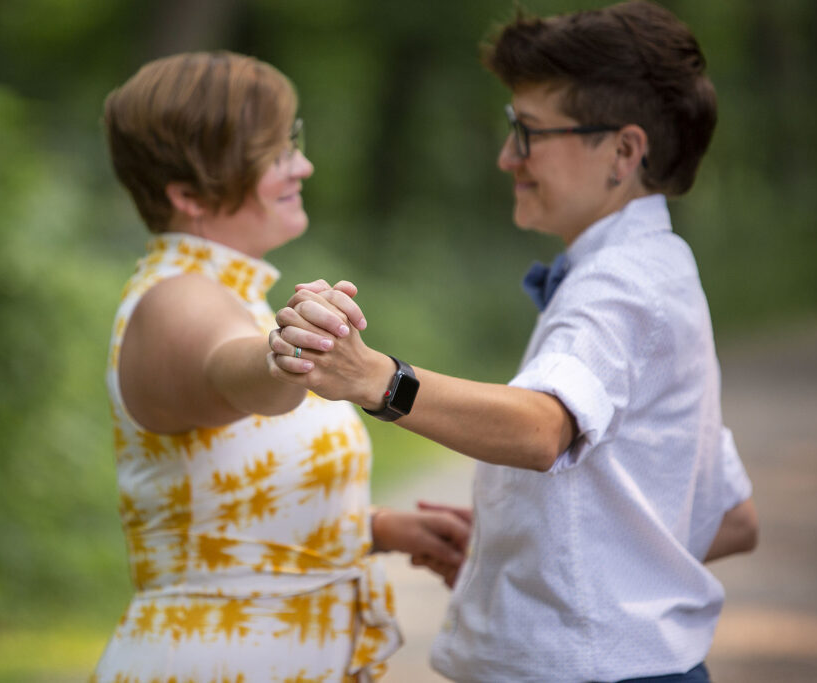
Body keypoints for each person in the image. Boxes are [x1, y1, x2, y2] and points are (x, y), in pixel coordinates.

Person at [267, 2, 758, 681]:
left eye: (527, 134)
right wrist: (536, 541)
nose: (507, 158)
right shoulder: (656, 271)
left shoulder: (620, 285)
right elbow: (733, 516)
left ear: (623, 151)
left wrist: (376, 378)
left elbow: (539, 431)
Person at [93, 51, 469, 683]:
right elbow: (235, 372)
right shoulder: (174, 300)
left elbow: (227, 512)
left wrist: (376, 530)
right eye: (274, 153)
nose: (304, 164)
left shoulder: (229, 294)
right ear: (187, 194)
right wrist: (284, 357)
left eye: (291, 141)